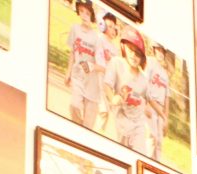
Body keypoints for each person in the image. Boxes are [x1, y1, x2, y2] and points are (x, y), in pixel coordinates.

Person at [103, 27, 149, 155]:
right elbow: (107, 84)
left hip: (137, 124)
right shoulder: (116, 63)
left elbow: (146, 99)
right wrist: (112, 98)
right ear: (123, 48)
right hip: (120, 120)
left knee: (140, 154)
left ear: (142, 59)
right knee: (119, 155)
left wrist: (148, 110)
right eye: (131, 50)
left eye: (138, 54)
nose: (134, 56)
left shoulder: (144, 79)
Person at [65, 1, 101, 128]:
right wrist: (68, 72)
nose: (84, 15)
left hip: (91, 81)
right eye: (82, 12)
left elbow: (101, 64)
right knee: (74, 105)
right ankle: (77, 126)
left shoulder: (97, 37)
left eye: (87, 13)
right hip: (77, 76)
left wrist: (92, 66)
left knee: (88, 123)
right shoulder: (74, 29)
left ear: (91, 15)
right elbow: (73, 53)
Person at [145, 43, 171, 161]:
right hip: (151, 103)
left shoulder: (165, 73)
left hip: (160, 108)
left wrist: (166, 118)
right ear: (154, 50)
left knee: (159, 141)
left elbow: (167, 97)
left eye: (162, 51)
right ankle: (145, 160)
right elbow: (144, 83)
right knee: (152, 137)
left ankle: (156, 165)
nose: (160, 53)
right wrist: (145, 104)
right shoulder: (150, 62)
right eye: (158, 50)